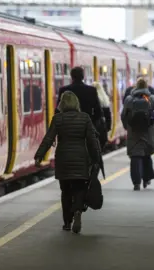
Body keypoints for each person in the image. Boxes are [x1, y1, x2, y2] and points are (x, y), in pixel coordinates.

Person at [35, 91, 100, 234]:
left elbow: (48, 139)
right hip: (81, 159)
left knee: (65, 192)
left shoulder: (58, 119)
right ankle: (77, 211)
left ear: (62, 104)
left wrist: (39, 156)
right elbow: (92, 141)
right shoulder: (85, 118)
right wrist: (96, 159)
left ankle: (66, 222)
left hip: (63, 159)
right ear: (77, 104)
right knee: (79, 188)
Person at [122, 78, 154, 191]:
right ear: (147, 87)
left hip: (134, 132)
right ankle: (146, 178)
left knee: (135, 156)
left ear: (136, 86)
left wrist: (127, 127)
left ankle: (136, 183)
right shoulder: (152, 99)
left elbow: (123, 115)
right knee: (146, 154)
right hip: (149, 132)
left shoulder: (129, 99)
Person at [57, 67, 106, 148]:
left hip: (68, 129)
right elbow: (98, 112)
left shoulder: (64, 90)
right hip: (86, 130)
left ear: (71, 77)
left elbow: (58, 111)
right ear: (83, 77)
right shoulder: (91, 90)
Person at [93, 82, 112, 148]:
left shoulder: (92, 99)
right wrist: (107, 128)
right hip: (102, 129)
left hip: (94, 129)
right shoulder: (105, 99)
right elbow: (108, 116)